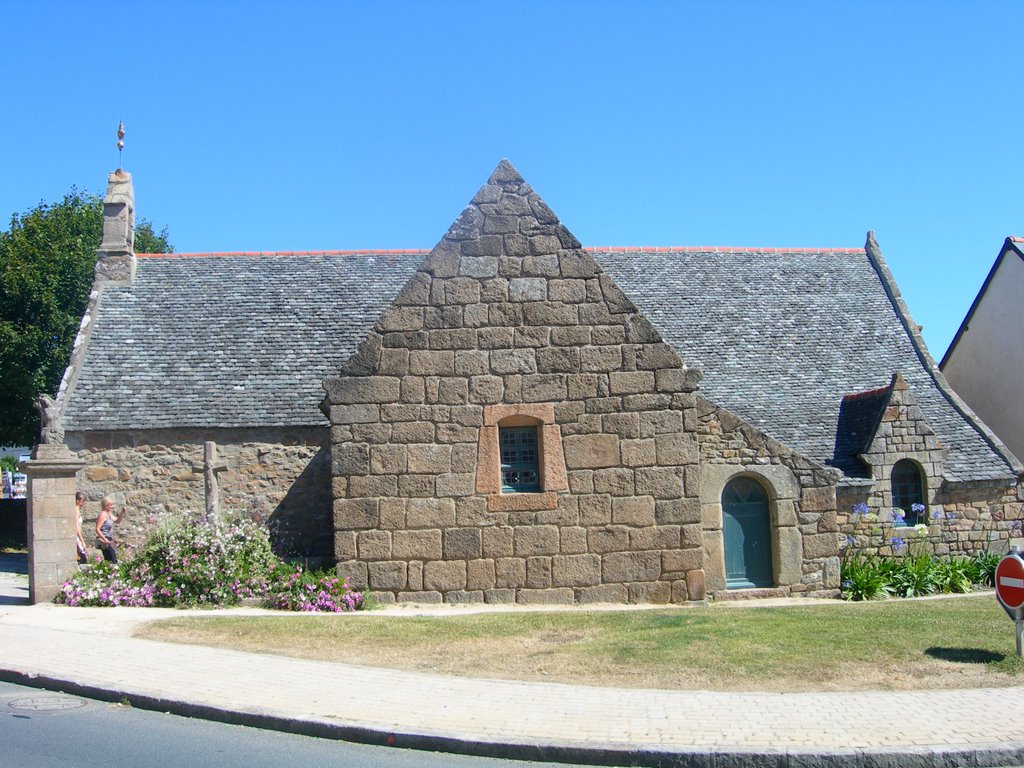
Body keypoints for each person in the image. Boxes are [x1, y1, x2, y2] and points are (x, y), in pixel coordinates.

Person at [95, 496, 123, 563]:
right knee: (112, 558)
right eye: (110, 505)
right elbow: (97, 529)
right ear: (106, 506)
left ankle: (109, 572)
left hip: (109, 539)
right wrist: (104, 539)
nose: (112, 506)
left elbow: (117, 521)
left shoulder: (109, 514)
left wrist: (122, 512)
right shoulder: (102, 515)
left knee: (110, 559)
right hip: (104, 540)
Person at [74, 491, 88, 564]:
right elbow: (76, 526)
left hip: (77, 537)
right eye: (83, 500)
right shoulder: (76, 511)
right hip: (76, 537)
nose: (84, 502)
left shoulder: (76, 510)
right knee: (83, 558)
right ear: (78, 501)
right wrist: (82, 541)